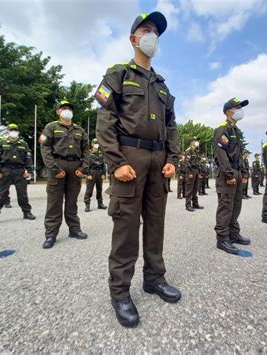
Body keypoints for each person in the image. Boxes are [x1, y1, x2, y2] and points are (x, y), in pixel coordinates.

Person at [95, 11, 181, 328]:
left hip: (159, 162)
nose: (152, 36)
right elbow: (104, 122)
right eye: (146, 30)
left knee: (155, 225)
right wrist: (116, 162)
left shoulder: (162, 85)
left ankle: (154, 279)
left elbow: (172, 126)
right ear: (133, 38)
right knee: (126, 229)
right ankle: (119, 292)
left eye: (156, 32)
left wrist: (173, 157)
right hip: (129, 158)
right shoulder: (118, 74)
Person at [40, 100, 89, 249]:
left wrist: (83, 168)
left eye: (69, 108)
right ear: (58, 111)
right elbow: (45, 149)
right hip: (58, 166)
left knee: (72, 202)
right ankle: (51, 234)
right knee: (54, 202)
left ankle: (74, 229)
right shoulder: (51, 127)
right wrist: (54, 169)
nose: (67, 110)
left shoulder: (80, 130)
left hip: (75, 167)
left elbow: (86, 151)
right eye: (64, 108)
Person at [214, 98, 251, 255]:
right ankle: (222, 239)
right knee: (226, 206)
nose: (240, 111)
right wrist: (229, 174)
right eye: (237, 108)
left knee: (236, 205)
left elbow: (239, 156)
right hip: (226, 173)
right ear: (229, 111)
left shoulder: (236, 130)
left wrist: (243, 173)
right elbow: (221, 154)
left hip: (236, 172)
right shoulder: (222, 129)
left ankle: (233, 233)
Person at [0, 124, 35, 226]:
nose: (13, 131)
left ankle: (27, 212)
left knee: (22, 194)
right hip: (5, 170)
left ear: (18, 131)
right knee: (0, 194)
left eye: (15, 130)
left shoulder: (23, 144)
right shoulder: (2, 143)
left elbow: (28, 159)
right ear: (7, 131)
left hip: (20, 171)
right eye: (11, 130)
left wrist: (29, 171)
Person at [84, 138, 107, 212]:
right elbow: (86, 165)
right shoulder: (88, 154)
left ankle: (100, 204)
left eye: (97, 143)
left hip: (99, 173)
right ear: (92, 144)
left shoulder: (101, 153)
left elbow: (103, 165)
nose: (96, 145)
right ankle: (87, 205)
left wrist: (103, 174)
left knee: (99, 189)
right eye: (95, 143)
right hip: (92, 172)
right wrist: (88, 174)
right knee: (89, 190)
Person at [184, 137, 203, 211]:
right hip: (191, 171)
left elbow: (198, 163)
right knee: (189, 189)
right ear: (192, 142)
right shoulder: (188, 151)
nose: (197, 142)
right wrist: (190, 172)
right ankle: (188, 205)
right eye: (195, 141)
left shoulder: (195, 151)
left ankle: (195, 204)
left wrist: (199, 172)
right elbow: (187, 163)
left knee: (195, 188)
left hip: (196, 171)